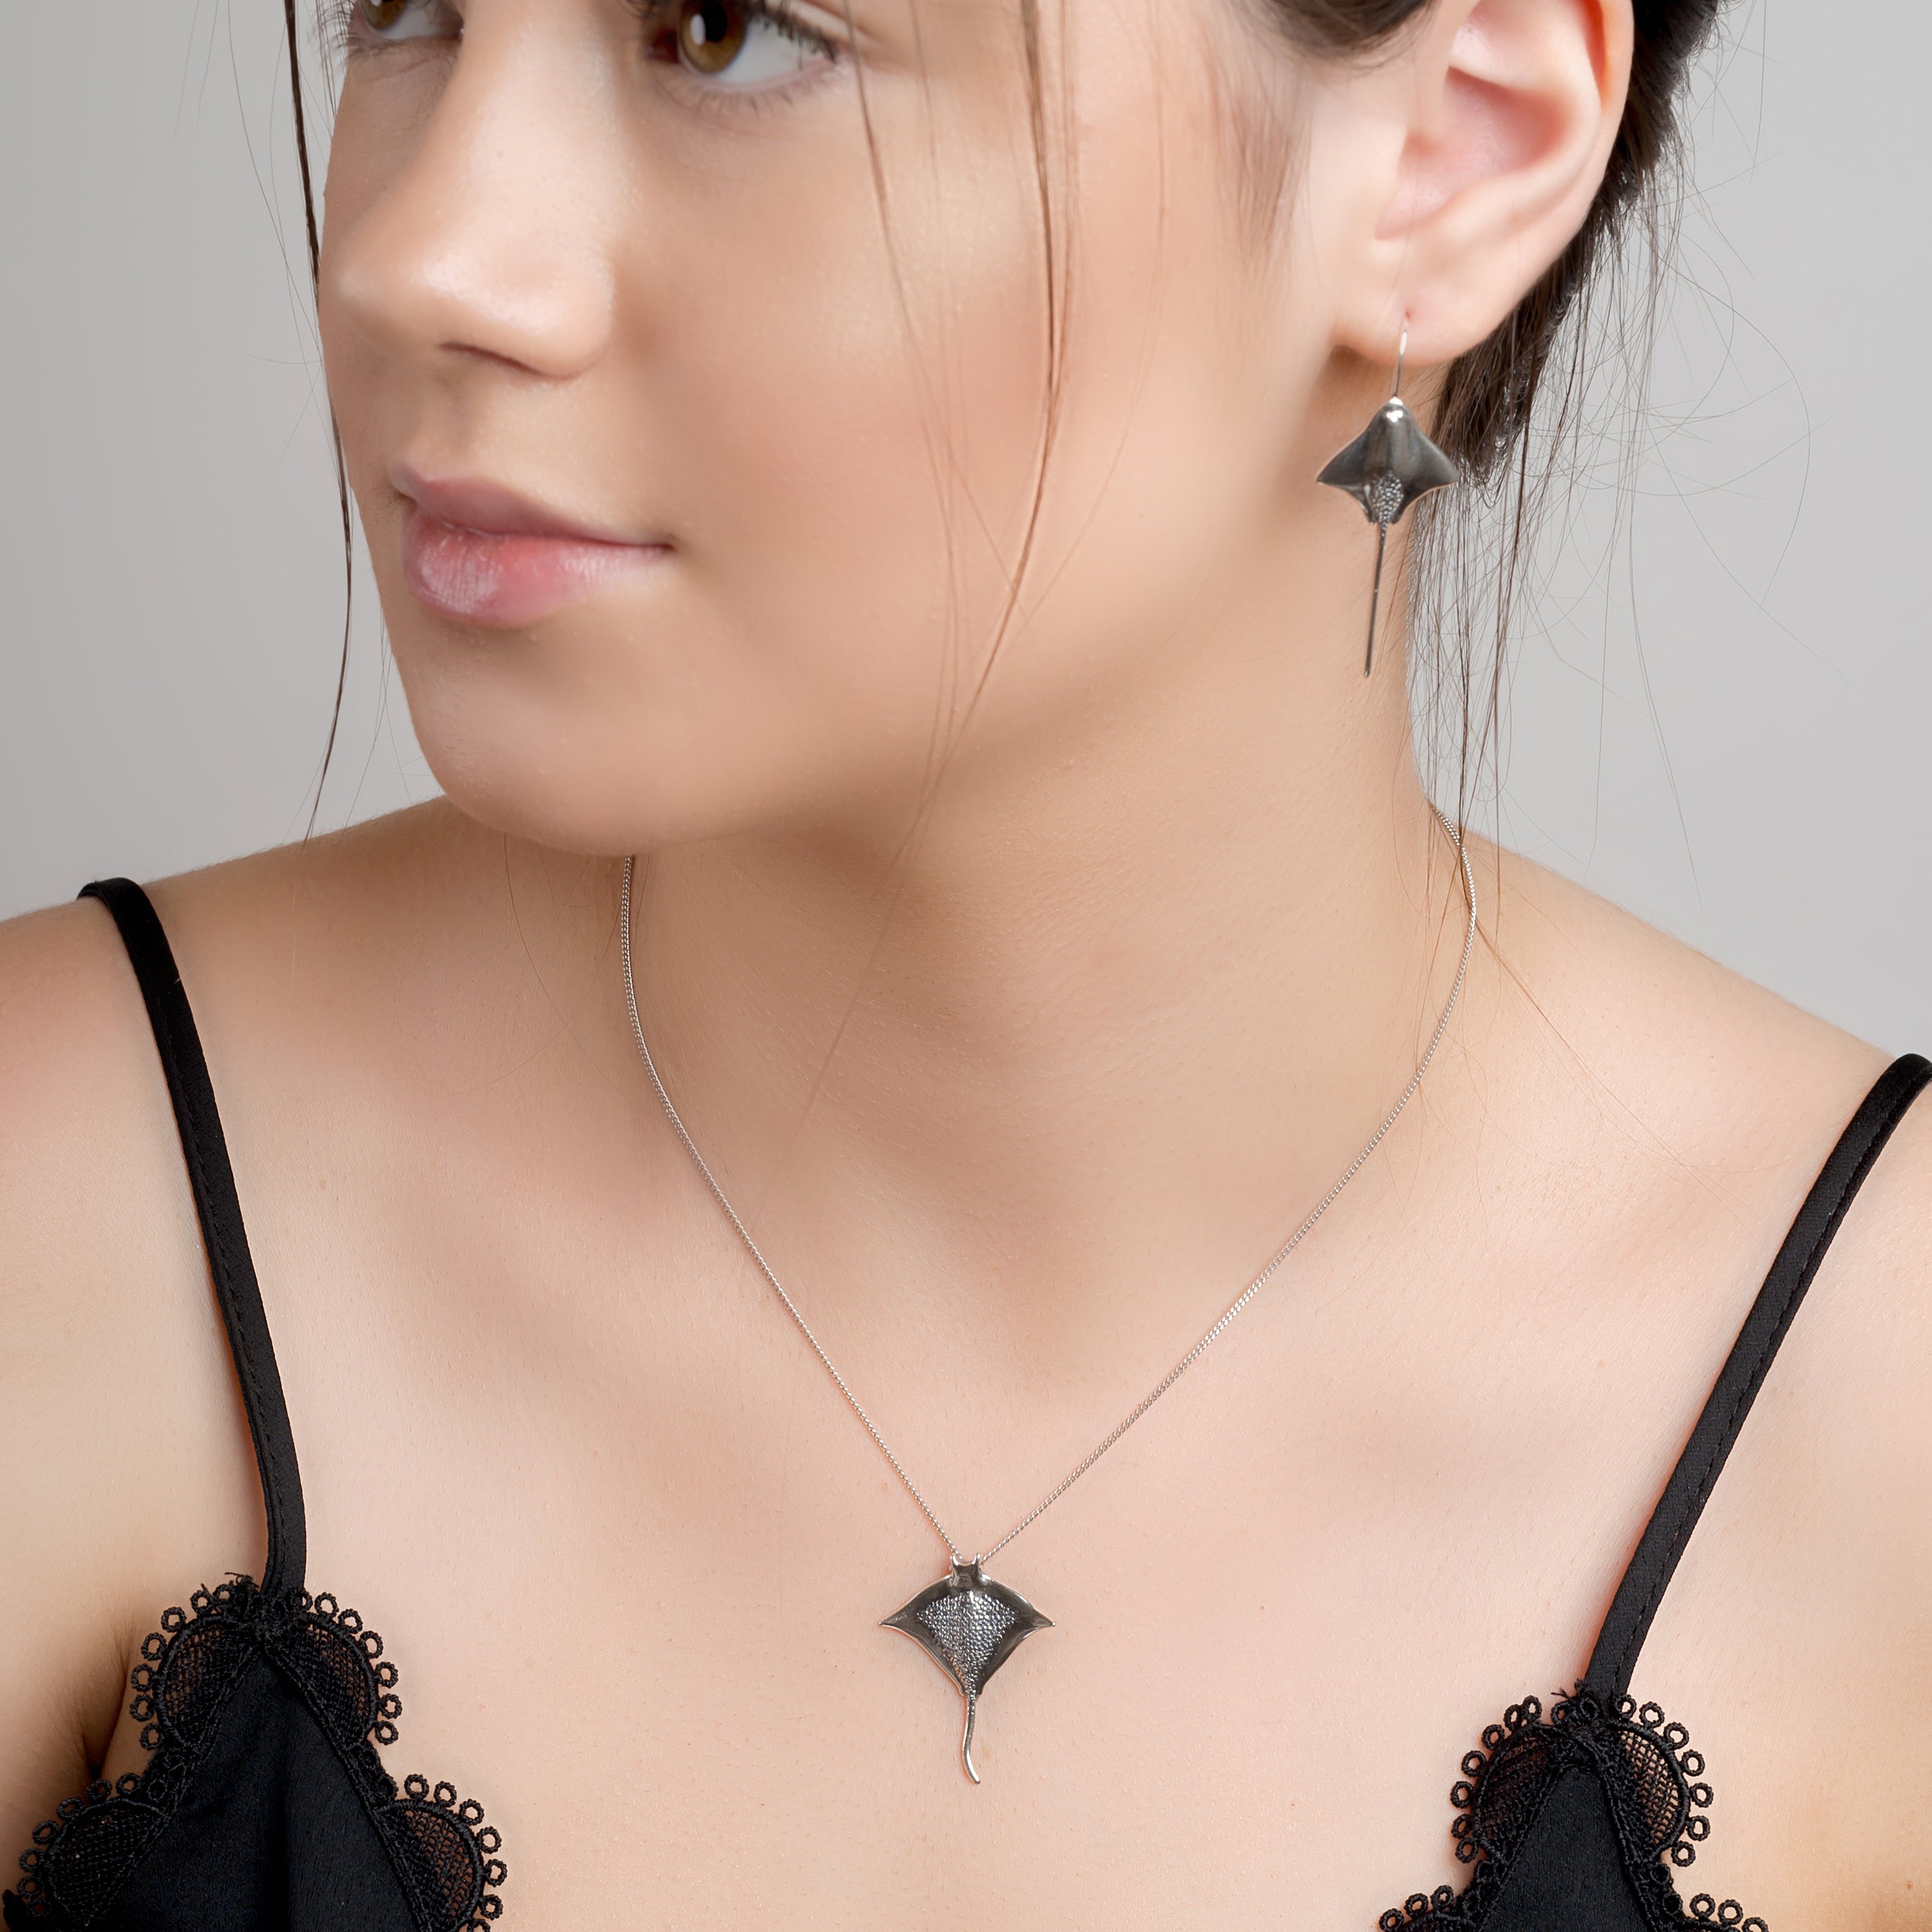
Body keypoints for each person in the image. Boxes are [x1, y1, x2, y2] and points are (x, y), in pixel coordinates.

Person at [3, 0, 1926, 1925]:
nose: (416, 254)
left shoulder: (1884, 1432)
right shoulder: (64, 1213)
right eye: (401, 7)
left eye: (725, 32)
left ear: (1455, 147)